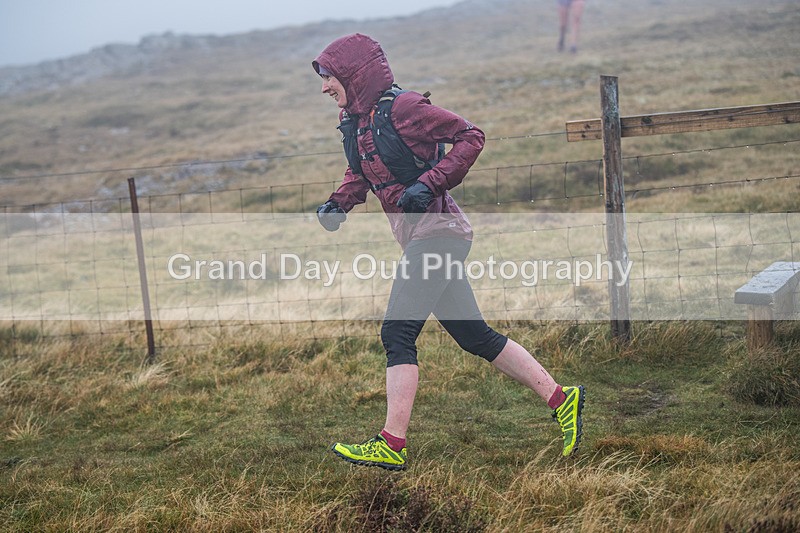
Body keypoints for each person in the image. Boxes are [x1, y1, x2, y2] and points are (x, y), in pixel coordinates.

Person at [313, 33, 585, 471]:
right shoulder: (358, 121)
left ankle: (391, 444)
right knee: (475, 337)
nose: (324, 87)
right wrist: (338, 203)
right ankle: (561, 397)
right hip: (428, 236)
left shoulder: (403, 109)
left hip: (438, 234)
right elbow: (362, 169)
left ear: (353, 74)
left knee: (397, 334)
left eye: (329, 77)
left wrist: (429, 183)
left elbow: (470, 136)